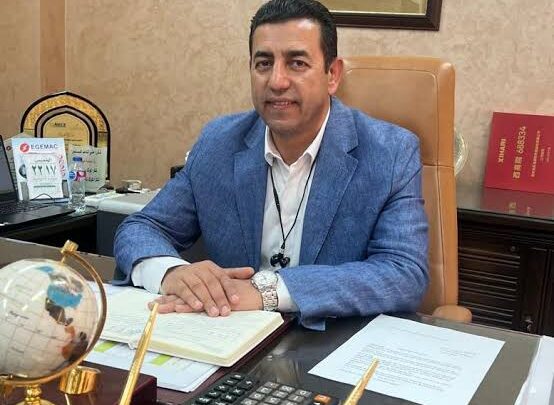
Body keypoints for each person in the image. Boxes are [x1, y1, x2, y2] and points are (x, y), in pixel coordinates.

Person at [114, 0, 428, 330]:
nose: (277, 81)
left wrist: (266, 292)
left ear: (332, 75)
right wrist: (171, 272)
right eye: (264, 63)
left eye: (297, 63)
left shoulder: (391, 152)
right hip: (228, 337)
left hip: (329, 342)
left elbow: (404, 273)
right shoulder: (219, 143)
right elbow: (142, 228)